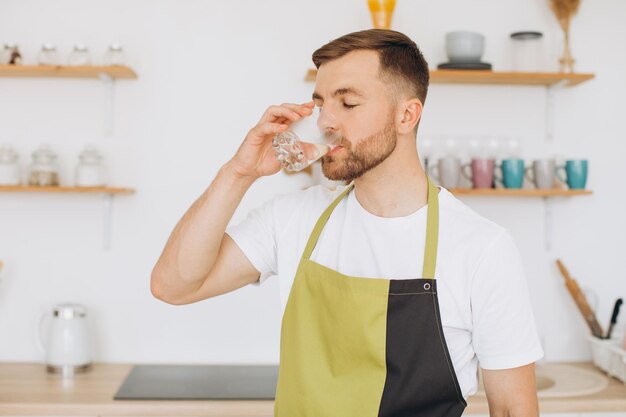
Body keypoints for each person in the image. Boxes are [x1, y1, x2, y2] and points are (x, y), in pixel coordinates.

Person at [151, 29, 544, 417]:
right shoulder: (293, 218)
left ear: (407, 115)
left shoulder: (480, 248)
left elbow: (512, 409)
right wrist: (239, 172)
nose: (325, 122)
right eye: (321, 104)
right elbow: (174, 286)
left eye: (348, 104)